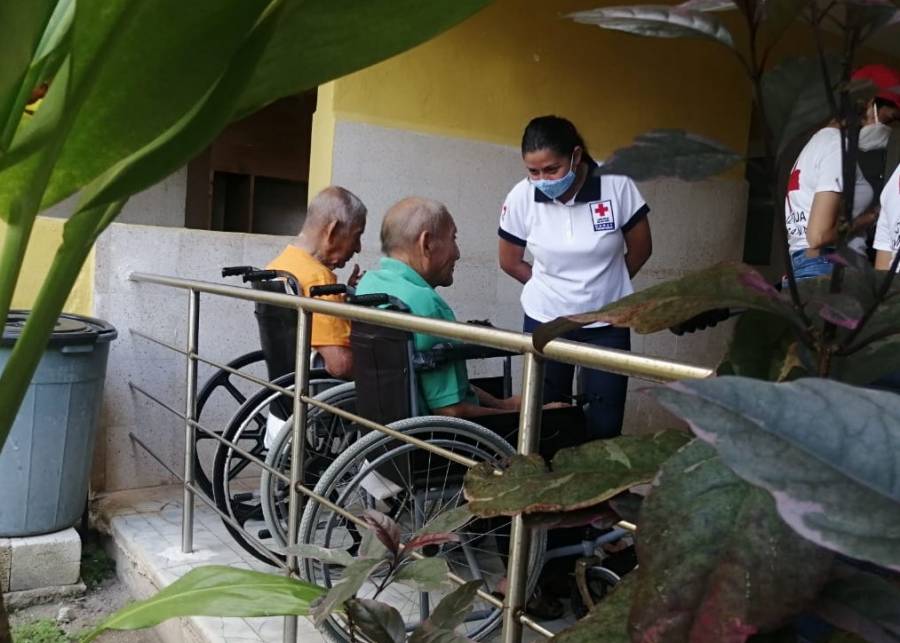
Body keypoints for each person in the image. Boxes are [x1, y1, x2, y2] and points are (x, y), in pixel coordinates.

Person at [497, 115, 652, 440]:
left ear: (576, 156)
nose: (542, 179)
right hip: (546, 323)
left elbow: (640, 248)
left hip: (607, 324)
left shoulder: (616, 183)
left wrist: (606, 288)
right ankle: (548, 489)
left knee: (605, 422)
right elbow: (510, 261)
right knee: (546, 419)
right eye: (533, 171)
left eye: (551, 169)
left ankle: (598, 490)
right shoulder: (522, 196)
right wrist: (551, 287)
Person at [355, 197, 542, 417]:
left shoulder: (368, 286)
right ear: (427, 243)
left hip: (386, 426)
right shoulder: (426, 306)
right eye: (453, 238)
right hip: (438, 437)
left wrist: (503, 405)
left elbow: (442, 386)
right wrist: (528, 416)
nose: (458, 253)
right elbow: (451, 410)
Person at [784, 64, 900, 280]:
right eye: (890, 119)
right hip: (826, 266)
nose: (890, 129)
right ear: (869, 104)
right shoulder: (837, 147)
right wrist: (870, 218)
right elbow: (817, 236)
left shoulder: (818, 143)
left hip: (805, 263)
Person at [267, 185, 367, 380]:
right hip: (318, 394)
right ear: (333, 230)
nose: (358, 248)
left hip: (286, 386)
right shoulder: (318, 280)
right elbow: (341, 365)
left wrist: (342, 298)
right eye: (357, 236)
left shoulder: (277, 266)